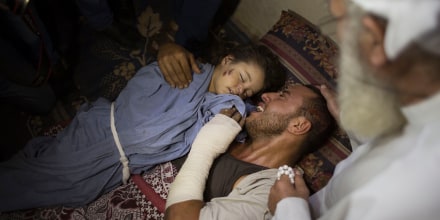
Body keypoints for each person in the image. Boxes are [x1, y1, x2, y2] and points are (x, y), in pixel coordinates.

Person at [0, 43, 286, 212]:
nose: (239, 90)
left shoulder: (216, 104)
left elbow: (232, 116)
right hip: (103, 134)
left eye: (247, 91)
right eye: (242, 78)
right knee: (34, 179)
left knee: (65, 193)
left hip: (119, 165)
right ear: (226, 62)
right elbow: (143, 95)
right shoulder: (188, 71)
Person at [268, 0, 440, 219]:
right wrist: (350, 118)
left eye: (338, 21)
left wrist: (287, 208)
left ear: (375, 38)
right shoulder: (416, 115)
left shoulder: (409, 189)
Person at [164, 83, 336, 219]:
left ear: (298, 125)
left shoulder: (273, 193)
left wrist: (204, 148)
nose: (265, 95)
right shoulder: (225, 123)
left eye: (282, 96)